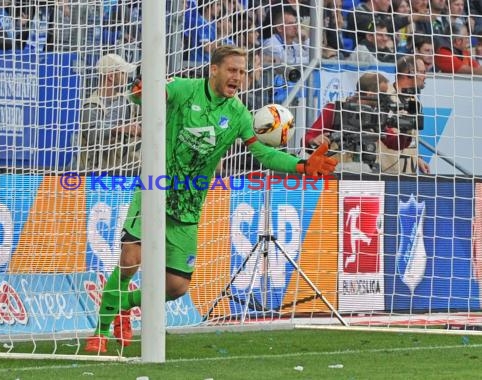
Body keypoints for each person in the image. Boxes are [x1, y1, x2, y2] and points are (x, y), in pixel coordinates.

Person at [84, 45, 338, 353]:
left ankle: (123, 303)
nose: (238, 78)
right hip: (154, 191)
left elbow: (264, 154)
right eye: (232, 70)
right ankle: (98, 332)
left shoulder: (239, 115)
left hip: (188, 207)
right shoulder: (183, 89)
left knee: (176, 287)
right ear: (214, 69)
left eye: (243, 72)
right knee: (129, 262)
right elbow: (145, 97)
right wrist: (140, 91)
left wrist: (301, 165)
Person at [304, 72, 390, 173]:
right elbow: (307, 139)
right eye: (383, 94)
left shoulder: (377, 114)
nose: (386, 98)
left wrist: (406, 128)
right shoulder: (336, 109)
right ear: (370, 94)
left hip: (366, 171)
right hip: (336, 170)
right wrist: (313, 140)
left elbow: (392, 141)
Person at [78, 53, 142, 174]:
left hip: (121, 168)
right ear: (111, 77)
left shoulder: (124, 100)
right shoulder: (91, 105)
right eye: (122, 73)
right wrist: (120, 129)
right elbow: (93, 135)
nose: (126, 77)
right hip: (97, 173)